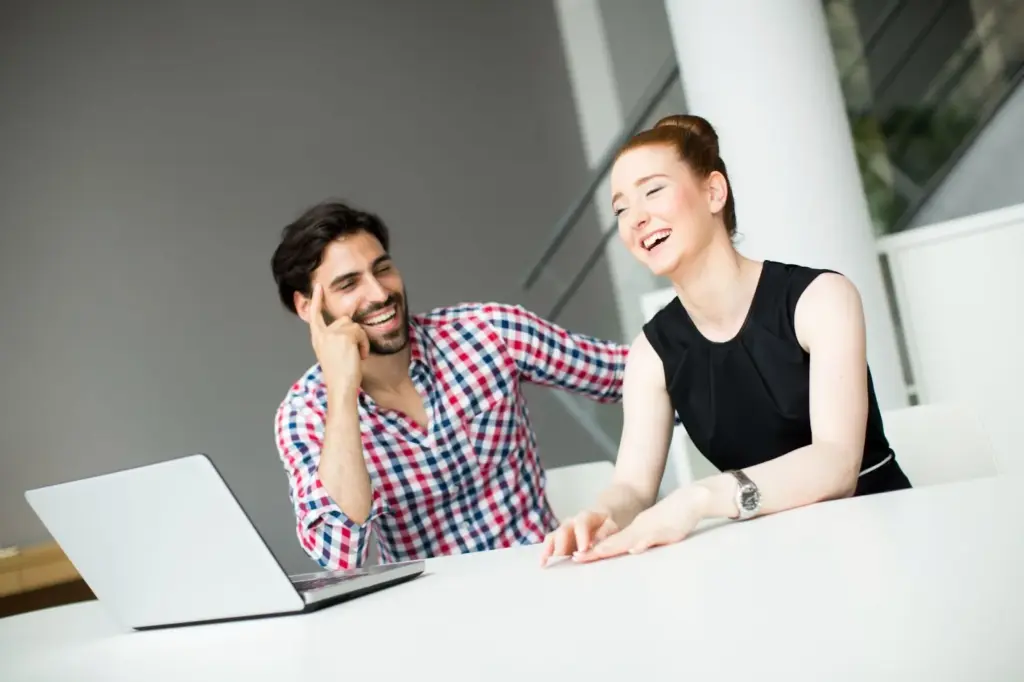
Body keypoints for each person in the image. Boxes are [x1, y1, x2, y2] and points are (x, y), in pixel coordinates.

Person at [540, 114, 912, 566]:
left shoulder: (821, 298)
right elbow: (633, 487)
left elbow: (836, 463)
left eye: (653, 191)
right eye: (620, 209)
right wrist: (602, 515)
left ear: (714, 192)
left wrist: (700, 499)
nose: (636, 218)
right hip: (774, 557)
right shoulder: (651, 354)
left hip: (881, 539)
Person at [270, 200, 629, 570]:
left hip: (545, 577)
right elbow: (339, 558)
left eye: (383, 269)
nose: (379, 294)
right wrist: (342, 391)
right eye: (349, 284)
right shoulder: (303, 415)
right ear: (307, 307)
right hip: (431, 604)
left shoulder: (489, 332)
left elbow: (629, 373)